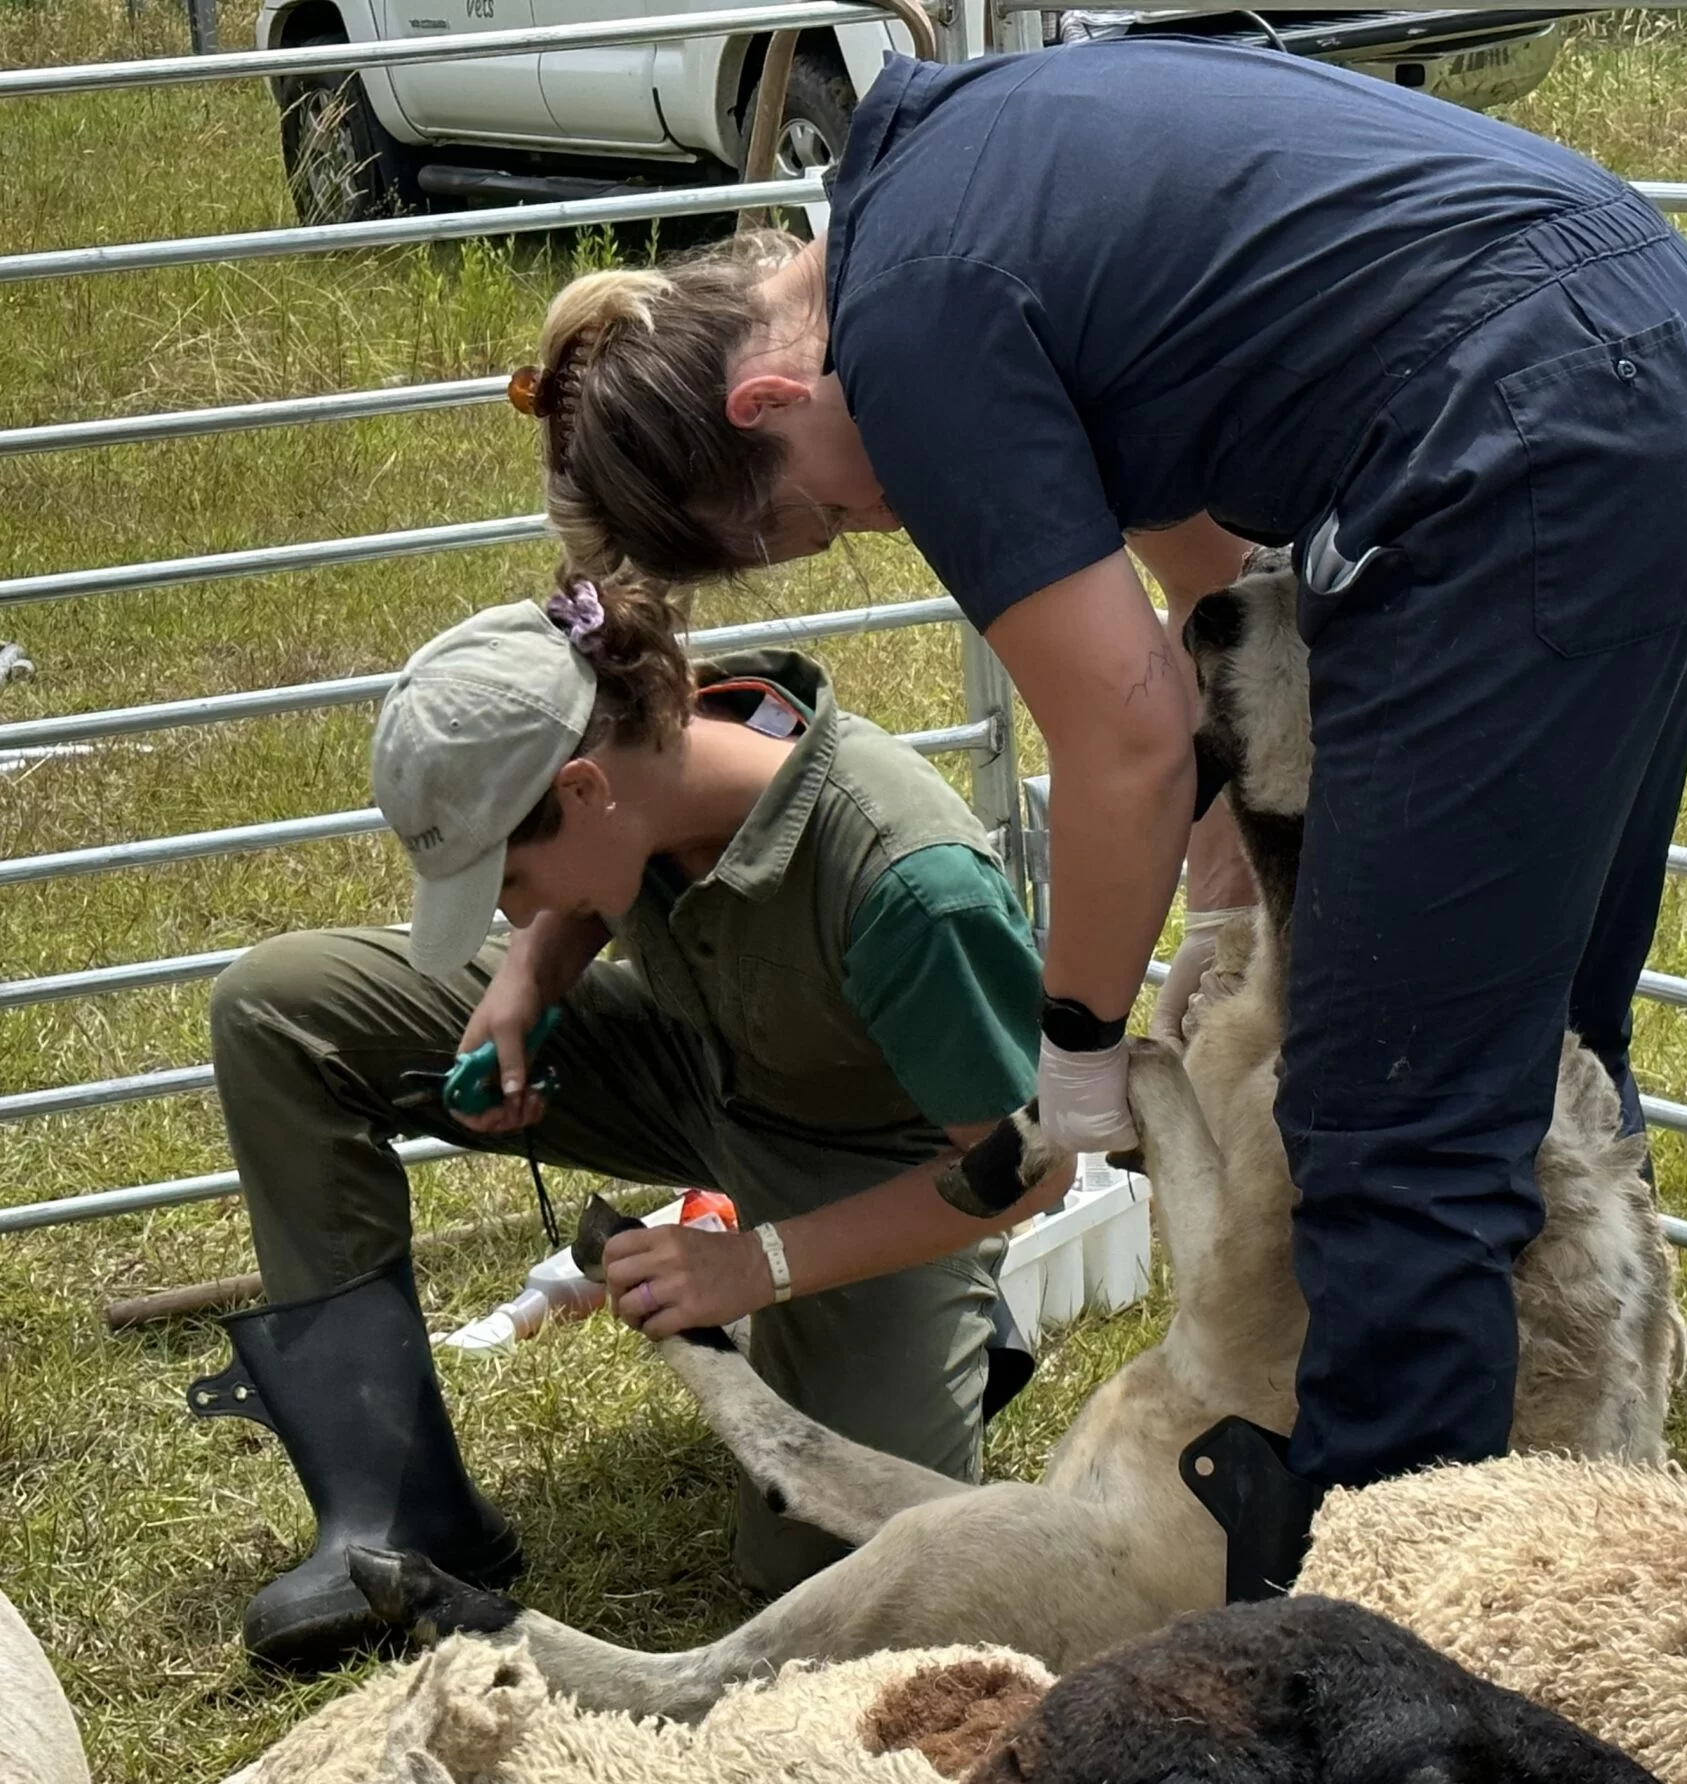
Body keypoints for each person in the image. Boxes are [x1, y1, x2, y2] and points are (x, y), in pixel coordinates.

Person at [508, 36, 1687, 1581]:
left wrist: (1083, 1048)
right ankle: (1595, 1503)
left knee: (1387, 1140)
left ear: (774, 391)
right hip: (1653, 353)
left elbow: (1126, 744)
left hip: (1521, 435)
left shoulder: (910, 339)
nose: (885, 513)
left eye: (834, 507)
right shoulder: (940, 186)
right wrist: (1237, 877)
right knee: (1532, 1031)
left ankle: (1397, 1662)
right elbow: (1208, 580)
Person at [192, 573, 1069, 1668]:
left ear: (584, 788)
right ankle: (396, 1508)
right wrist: (532, 973)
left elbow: (1027, 1170)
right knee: (279, 1009)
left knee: (834, 1586)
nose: (505, 907)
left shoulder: (908, 886)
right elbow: (578, 891)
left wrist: (759, 1265)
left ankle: (952, 1330)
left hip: (871, 1160)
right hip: (695, 1054)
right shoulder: (648, 765)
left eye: (506, 878)